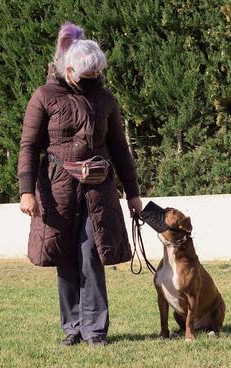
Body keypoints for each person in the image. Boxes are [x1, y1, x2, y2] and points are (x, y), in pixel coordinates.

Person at [18, 22, 142, 346]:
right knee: (65, 258)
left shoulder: (106, 99)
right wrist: (26, 190)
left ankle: (96, 330)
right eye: (86, 75)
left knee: (90, 253)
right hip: (57, 190)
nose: (92, 80)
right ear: (69, 67)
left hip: (98, 190)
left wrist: (133, 194)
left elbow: (119, 148)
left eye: (96, 74)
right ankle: (72, 328)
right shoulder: (44, 96)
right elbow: (29, 146)